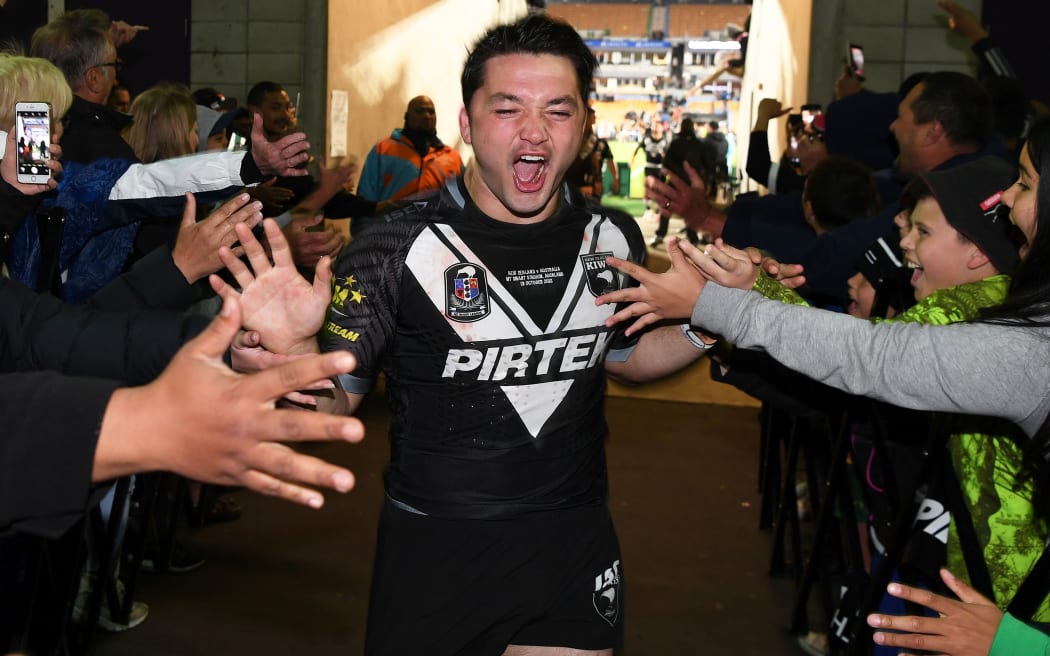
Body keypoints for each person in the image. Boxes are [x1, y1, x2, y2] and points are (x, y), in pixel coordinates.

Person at [247, 15, 715, 656]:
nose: (534, 132)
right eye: (507, 109)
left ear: (584, 127)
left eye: (557, 110)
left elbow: (626, 356)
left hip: (571, 542)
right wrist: (291, 354)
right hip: (435, 549)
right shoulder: (393, 245)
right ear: (466, 126)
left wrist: (711, 320)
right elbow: (335, 400)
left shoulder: (611, 238)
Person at [594, 119, 1050, 655]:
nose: (1006, 201)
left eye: (1023, 183)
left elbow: (871, 358)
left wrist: (727, 304)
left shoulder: (1000, 320)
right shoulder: (1012, 309)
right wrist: (748, 299)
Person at [354, 95, 463, 231]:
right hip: (389, 240)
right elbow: (365, 200)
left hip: (436, 244)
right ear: (407, 116)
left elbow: (463, 206)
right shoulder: (383, 150)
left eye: (431, 112)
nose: (427, 116)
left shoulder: (452, 158)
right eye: (420, 111)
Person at [565, 105, 619, 203]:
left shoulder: (600, 144)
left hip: (591, 186)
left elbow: (609, 160)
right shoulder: (570, 141)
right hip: (572, 184)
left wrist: (615, 178)